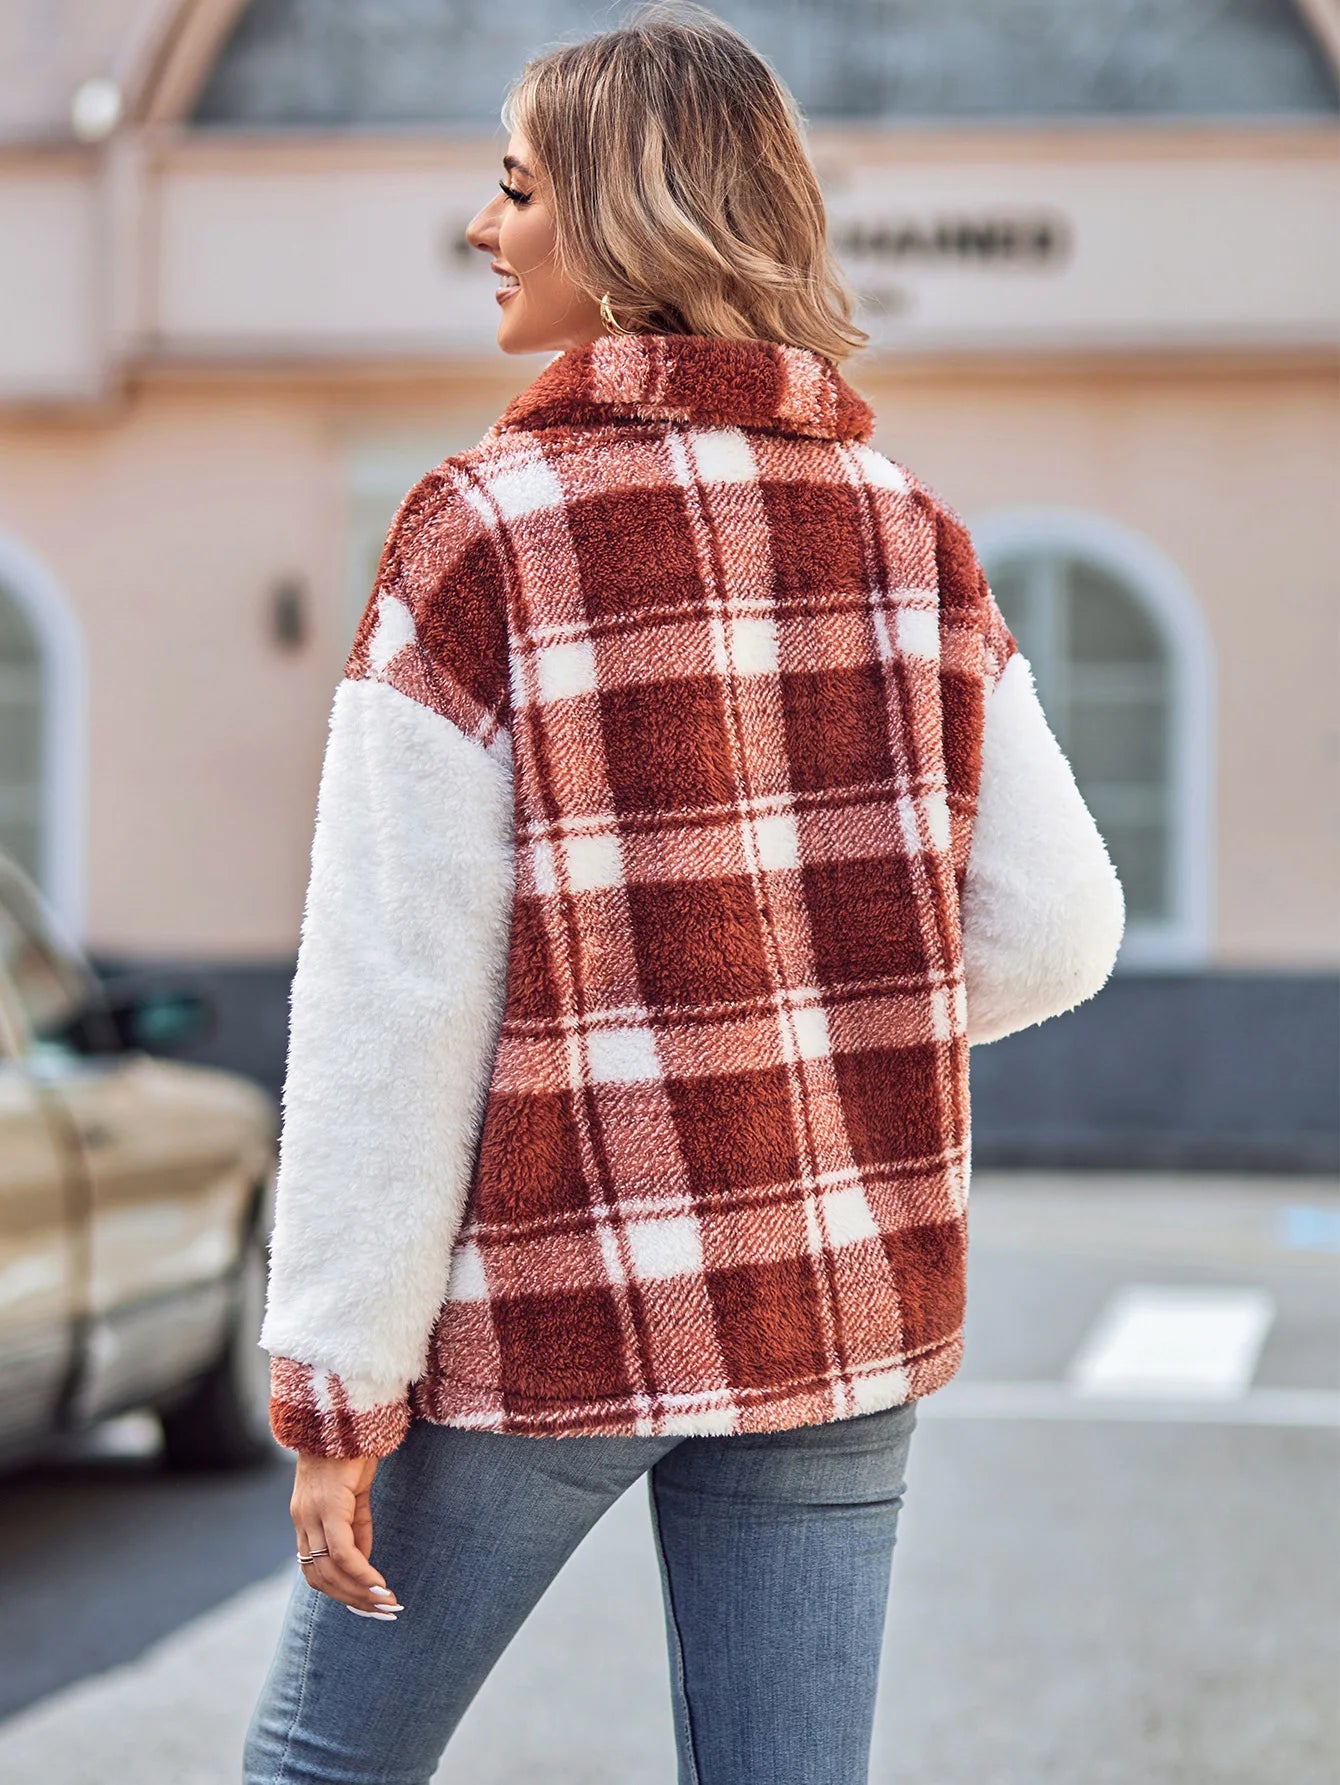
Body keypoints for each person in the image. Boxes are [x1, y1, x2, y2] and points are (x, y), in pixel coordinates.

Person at [242, 6, 1124, 1781]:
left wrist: (335, 1386)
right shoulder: (910, 531)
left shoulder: (481, 528)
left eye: (514, 190)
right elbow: (1057, 926)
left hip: (555, 1292)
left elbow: (394, 994)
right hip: (838, 1287)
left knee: (321, 1768)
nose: (485, 231)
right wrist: (813, 1023)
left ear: (626, 217)